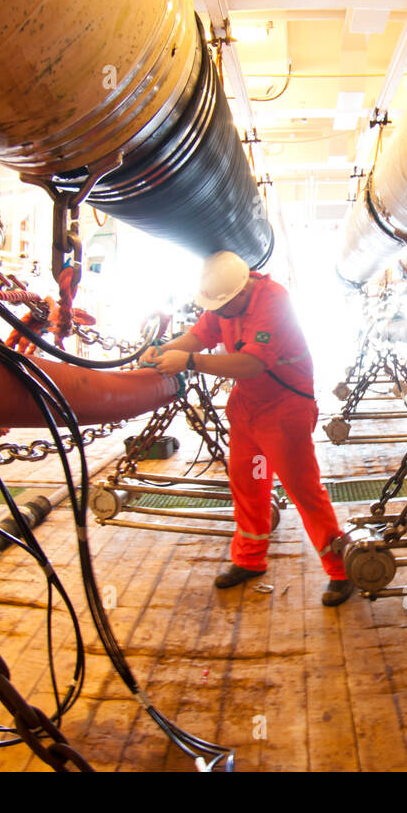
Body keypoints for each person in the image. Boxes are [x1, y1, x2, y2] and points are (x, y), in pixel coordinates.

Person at [141, 251, 354, 606]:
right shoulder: (226, 301)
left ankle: (339, 569)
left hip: (285, 413)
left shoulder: (273, 301)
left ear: (240, 294)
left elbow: (253, 363)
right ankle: (249, 559)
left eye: (221, 307)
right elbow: (199, 334)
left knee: (303, 491)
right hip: (249, 412)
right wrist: (164, 350)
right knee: (250, 483)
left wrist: (190, 362)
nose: (218, 313)